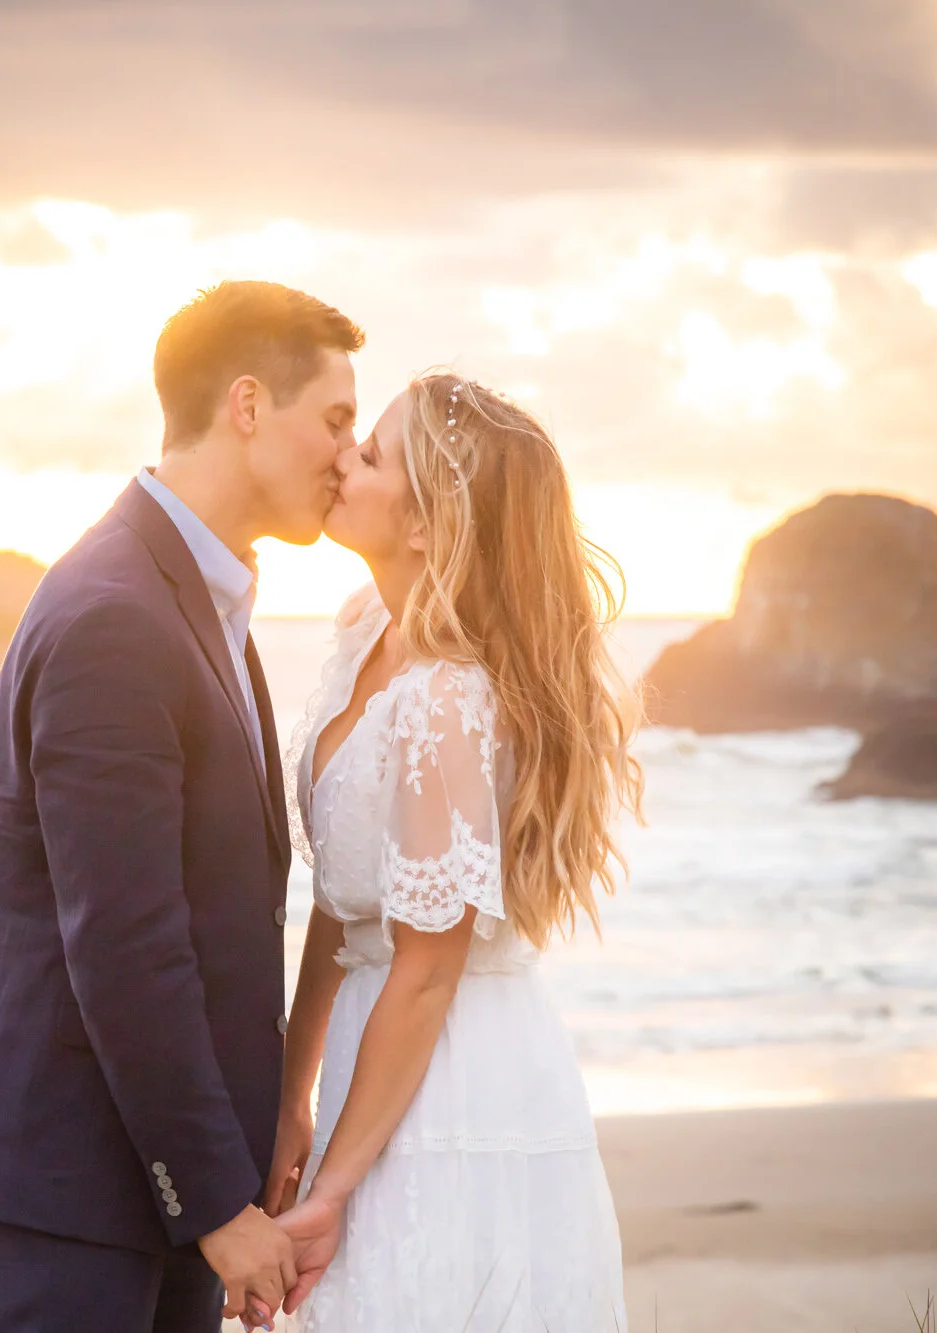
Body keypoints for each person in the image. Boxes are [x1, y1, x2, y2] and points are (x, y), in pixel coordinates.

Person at [0, 280, 362, 1332]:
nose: (344, 454)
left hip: (147, 1181)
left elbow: (213, 919)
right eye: (333, 420)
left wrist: (262, 1128)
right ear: (247, 406)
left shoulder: (195, 596)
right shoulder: (115, 613)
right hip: (74, 1192)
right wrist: (210, 1200)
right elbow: (122, 941)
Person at [269, 373, 644, 1330]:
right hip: (371, 1044)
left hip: (450, 1079)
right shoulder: (364, 635)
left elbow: (429, 969)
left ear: (433, 525)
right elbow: (342, 906)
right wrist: (290, 1095)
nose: (344, 458)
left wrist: (330, 1192)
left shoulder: (446, 696)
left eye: (374, 452)